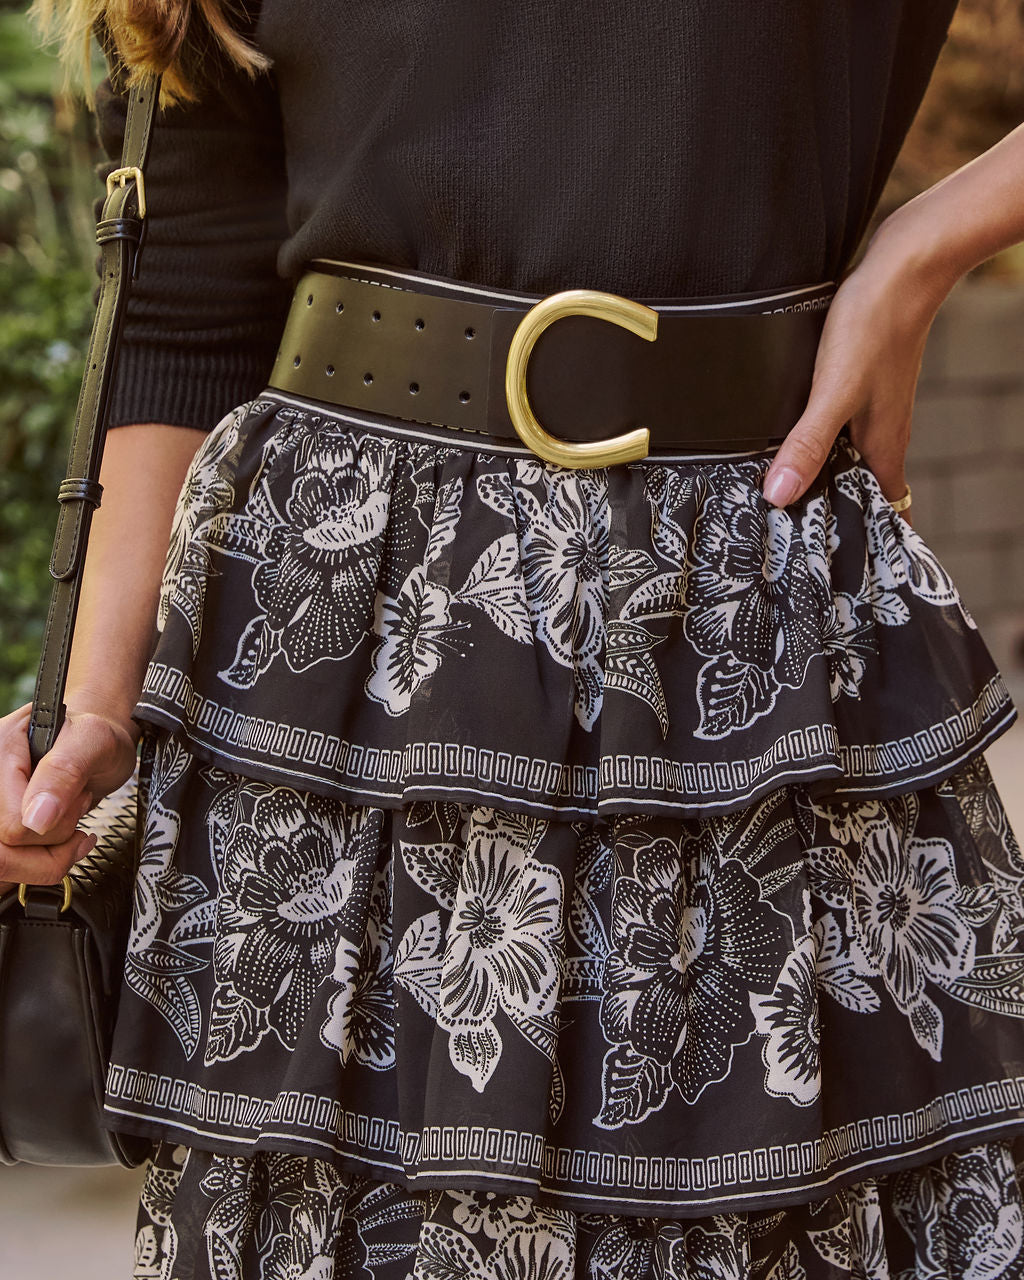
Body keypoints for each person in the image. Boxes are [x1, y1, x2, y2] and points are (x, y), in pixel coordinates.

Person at [4, 0, 1024, 1275]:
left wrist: (931, 241)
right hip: (333, 665)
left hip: (732, 627)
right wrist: (94, 709)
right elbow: (186, 297)